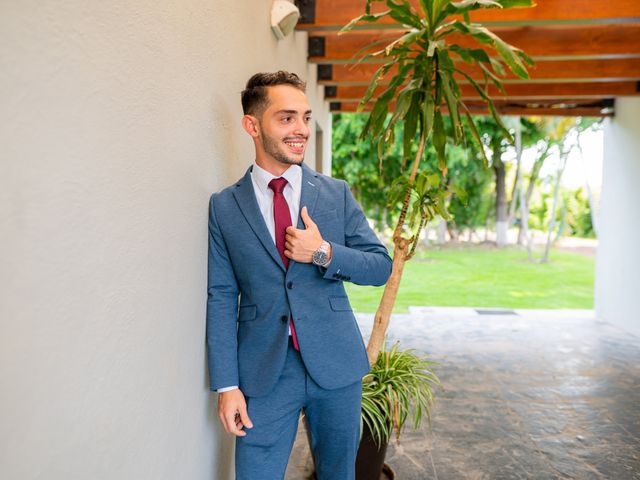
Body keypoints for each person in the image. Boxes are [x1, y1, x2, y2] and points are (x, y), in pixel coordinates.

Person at [206, 71, 392, 480]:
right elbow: (220, 295)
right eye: (286, 118)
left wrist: (323, 252)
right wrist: (226, 385)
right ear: (252, 126)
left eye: (306, 118)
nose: (301, 130)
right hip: (264, 372)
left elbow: (380, 265)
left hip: (335, 365)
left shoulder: (335, 194)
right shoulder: (224, 207)